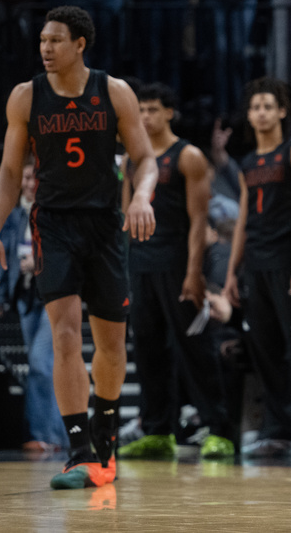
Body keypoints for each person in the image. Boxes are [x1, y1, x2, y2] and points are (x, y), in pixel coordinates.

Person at [0, 5, 158, 490]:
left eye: (55, 40)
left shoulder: (113, 91)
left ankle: (106, 433)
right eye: (41, 40)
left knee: (111, 347)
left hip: (104, 224)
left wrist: (141, 196)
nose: (45, 49)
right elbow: (11, 173)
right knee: (63, 333)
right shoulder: (26, 97)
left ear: (80, 44)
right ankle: (79, 450)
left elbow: (145, 159)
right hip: (53, 223)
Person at [119, 83, 234, 461]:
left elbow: (199, 221)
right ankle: (157, 431)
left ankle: (219, 430)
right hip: (141, 265)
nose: (146, 117)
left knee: (194, 348)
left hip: (176, 263)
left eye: (153, 109)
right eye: (141, 110)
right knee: (149, 350)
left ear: (170, 112)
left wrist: (194, 273)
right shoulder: (130, 161)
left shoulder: (188, 156)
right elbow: (124, 220)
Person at [223, 78, 291, 456]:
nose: (262, 113)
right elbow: (241, 223)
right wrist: (231, 275)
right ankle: (278, 428)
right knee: (265, 352)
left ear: (282, 111)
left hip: (289, 263)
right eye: (255, 107)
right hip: (256, 265)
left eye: (269, 106)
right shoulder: (248, 163)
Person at [0, 160, 67, 452]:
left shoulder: (55, 211)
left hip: (53, 296)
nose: (31, 183)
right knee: (45, 366)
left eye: (36, 177)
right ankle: (57, 436)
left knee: (40, 364)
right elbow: (3, 254)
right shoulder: (13, 214)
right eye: (26, 177)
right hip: (23, 296)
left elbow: (68, 251)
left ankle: (42, 434)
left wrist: (39, 262)